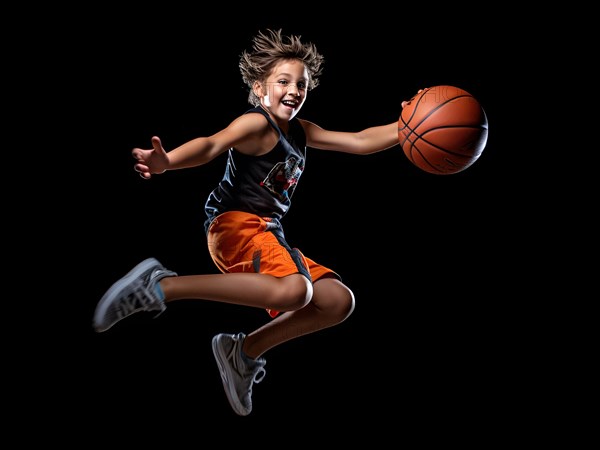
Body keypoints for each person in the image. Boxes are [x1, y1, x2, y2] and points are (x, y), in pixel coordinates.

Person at [93, 28, 405, 416]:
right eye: (283, 81)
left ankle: (242, 352)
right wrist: (168, 161)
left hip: (266, 232)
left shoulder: (302, 132)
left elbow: (358, 141)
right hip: (235, 224)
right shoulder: (256, 124)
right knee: (296, 291)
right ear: (260, 88)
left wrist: (406, 127)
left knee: (336, 301)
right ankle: (162, 286)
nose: (294, 89)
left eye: (301, 84)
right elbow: (210, 143)